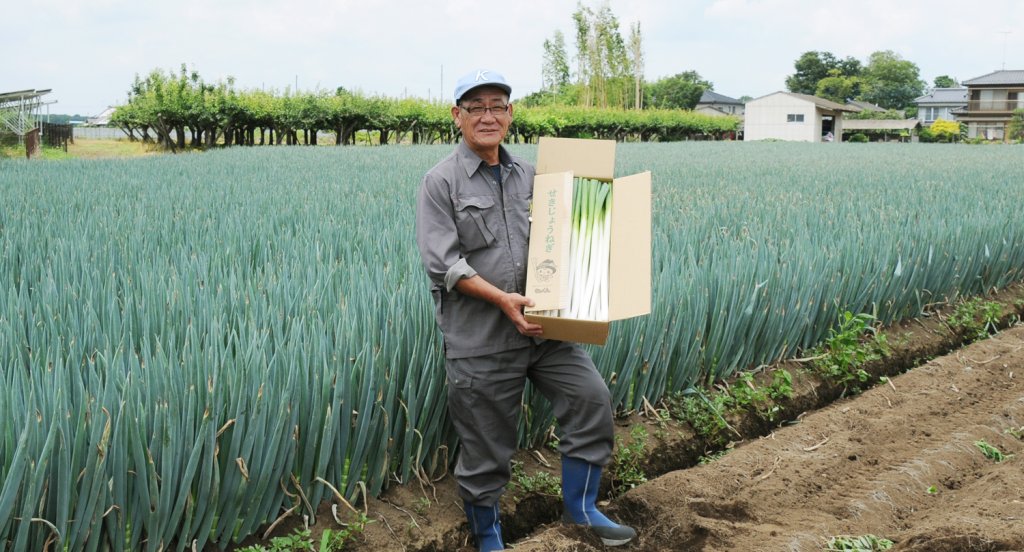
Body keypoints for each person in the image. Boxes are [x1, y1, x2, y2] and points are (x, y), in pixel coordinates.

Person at [415, 69, 636, 551]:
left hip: (544, 330)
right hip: (483, 340)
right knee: (486, 447)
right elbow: (444, 266)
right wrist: (501, 300)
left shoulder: (536, 176)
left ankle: (582, 509)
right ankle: (488, 538)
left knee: (590, 399)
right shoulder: (440, 183)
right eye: (476, 108)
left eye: (498, 106)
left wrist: (595, 267)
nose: (488, 116)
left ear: (511, 114)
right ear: (458, 117)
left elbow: (571, 237)